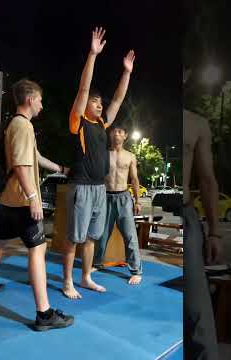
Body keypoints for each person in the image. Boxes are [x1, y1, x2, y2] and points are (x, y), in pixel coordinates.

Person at [0, 79, 74, 331]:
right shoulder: (23, 127)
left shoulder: (15, 124)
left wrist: (61, 169)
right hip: (23, 201)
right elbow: (22, 166)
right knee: (38, 250)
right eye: (41, 101)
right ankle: (44, 314)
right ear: (31, 99)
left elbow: (35, 158)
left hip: (9, 200)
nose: (42, 106)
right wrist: (34, 198)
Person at [63, 27, 135, 299]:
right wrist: (93, 54)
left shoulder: (104, 124)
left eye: (99, 102)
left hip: (99, 189)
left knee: (92, 237)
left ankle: (85, 277)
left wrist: (126, 72)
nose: (99, 105)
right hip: (81, 186)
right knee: (74, 238)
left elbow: (118, 99)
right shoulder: (78, 123)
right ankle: (68, 281)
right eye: (95, 102)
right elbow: (83, 88)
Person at [183, 68, 223, 359]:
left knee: (196, 309)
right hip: (162, 211)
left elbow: (207, 180)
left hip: (186, 218)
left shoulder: (197, 124)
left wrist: (215, 231)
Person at [92, 123, 143, 285]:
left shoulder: (130, 156)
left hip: (123, 198)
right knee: (101, 233)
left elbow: (134, 179)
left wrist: (137, 201)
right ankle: (97, 263)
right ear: (109, 134)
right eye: (113, 131)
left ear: (125, 136)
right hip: (105, 197)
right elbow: (96, 176)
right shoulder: (104, 154)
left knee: (130, 235)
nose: (116, 134)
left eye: (120, 131)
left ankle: (136, 270)